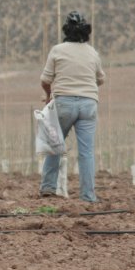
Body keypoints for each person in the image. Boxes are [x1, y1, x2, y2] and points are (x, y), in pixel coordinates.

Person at [39, 11, 105, 202]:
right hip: (89, 104)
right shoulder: (92, 52)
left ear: (66, 30)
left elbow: (45, 79)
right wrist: (86, 88)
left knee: (55, 144)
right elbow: (101, 79)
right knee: (86, 152)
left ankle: (48, 187)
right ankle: (88, 195)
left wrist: (48, 94)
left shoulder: (57, 50)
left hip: (63, 103)